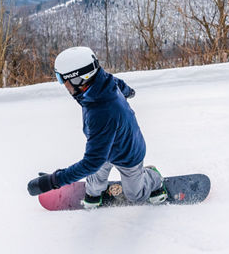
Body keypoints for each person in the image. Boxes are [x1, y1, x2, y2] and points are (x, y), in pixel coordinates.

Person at [27, 46, 167, 208]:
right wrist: (129, 92)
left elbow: (92, 162)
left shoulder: (101, 112)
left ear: (78, 79)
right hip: (105, 145)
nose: (62, 84)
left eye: (61, 79)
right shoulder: (101, 82)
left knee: (136, 195)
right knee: (95, 183)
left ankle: (152, 177)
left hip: (127, 153)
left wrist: (53, 181)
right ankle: (94, 190)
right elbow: (120, 85)